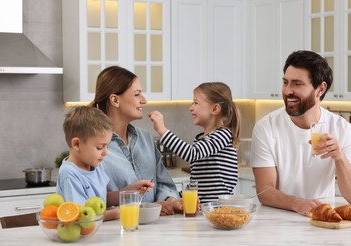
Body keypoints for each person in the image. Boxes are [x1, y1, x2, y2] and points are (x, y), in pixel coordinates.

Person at [250, 50, 351, 217]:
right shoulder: (266, 128)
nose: (288, 91)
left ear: (320, 89)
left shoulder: (343, 129)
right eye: (285, 82)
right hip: (277, 220)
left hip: (324, 220)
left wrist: (339, 157)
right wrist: (298, 204)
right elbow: (265, 191)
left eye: (297, 84)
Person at [90, 66, 183, 216]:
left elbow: (164, 183)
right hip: (115, 232)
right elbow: (90, 202)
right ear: (115, 100)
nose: (144, 100)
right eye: (137, 94)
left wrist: (170, 200)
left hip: (155, 230)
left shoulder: (145, 138)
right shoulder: (92, 146)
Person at [149, 82, 241, 203]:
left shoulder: (222, 135)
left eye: (196, 103)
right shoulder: (202, 138)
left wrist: (162, 130)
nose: (191, 107)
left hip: (217, 209)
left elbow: (191, 153)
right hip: (203, 209)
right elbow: (199, 183)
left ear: (215, 109)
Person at [57, 106, 153, 221]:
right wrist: (117, 213)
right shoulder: (69, 174)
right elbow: (80, 216)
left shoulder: (94, 166)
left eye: (107, 146)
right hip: (82, 237)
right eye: (100, 147)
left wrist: (130, 191)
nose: (105, 152)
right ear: (77, 144)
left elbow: (103, 200)